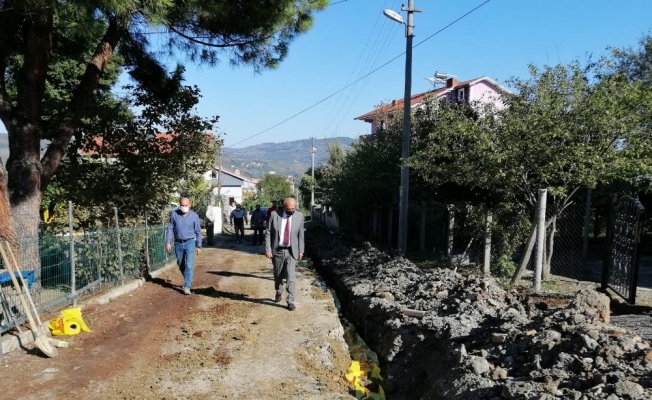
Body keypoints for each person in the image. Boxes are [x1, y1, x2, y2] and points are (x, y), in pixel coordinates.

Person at [265, 197, 304, 311]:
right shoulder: (274, 215)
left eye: (293, 208)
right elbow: (268, 233)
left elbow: (301, 235)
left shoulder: (299, 216)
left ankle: (290, 301)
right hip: (277, 251)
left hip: (292, 251)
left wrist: (301, 250)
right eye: (289, 209)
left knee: (291, 276)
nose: (291, 210)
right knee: (278, 275)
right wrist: (268, 249)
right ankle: (278, 291)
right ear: (284, 207)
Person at [166, 197, 202, 295]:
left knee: (189, 265)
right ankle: (188, 278)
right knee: (180, 263)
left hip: (190, 242)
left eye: (186, 205)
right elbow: (170, 228)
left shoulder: (194, 216)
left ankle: (187, 286)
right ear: (179, 205)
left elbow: (198, 232)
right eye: (182, 205)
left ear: (189, 205)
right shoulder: (174, 214)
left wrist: (199, 245)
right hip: (178, 243)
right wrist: (168, 242)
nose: (184, 207)